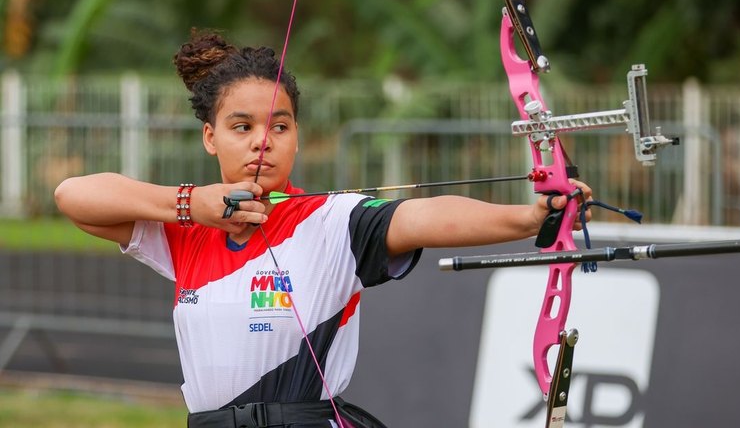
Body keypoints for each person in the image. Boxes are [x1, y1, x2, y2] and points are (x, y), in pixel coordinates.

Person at [55, 30, 592, 428]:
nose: (262, 141)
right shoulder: (185, 228)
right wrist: (189, 203)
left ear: (296, 137)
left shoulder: (334, 219)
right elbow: (73, 196)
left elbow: (424, 215)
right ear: (209, 137)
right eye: (241, 126)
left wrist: (529, 216)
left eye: (280, 126)